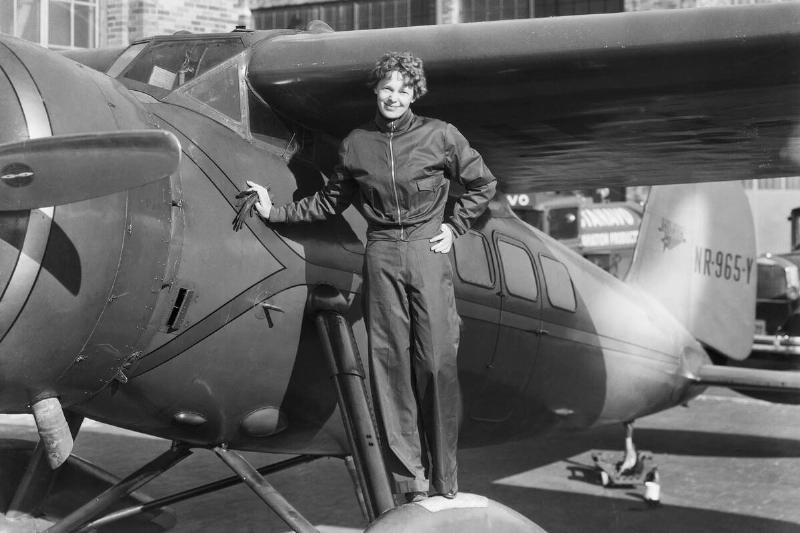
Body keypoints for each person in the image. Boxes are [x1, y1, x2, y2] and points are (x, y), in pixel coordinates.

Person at [244, 51, 496, 503]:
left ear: (415, 93)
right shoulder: (356, 143)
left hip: (426, 251)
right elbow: (329, 201)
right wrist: (273, 211)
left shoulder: (442, 135)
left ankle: (446, 480)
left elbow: (483, 185)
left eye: (403, 89)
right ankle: (411, 482)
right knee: (389, 366)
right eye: (387, 88)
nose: (394, 97)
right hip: (381, 254)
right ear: (376, 91)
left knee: (436, 362)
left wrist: (454, 227)